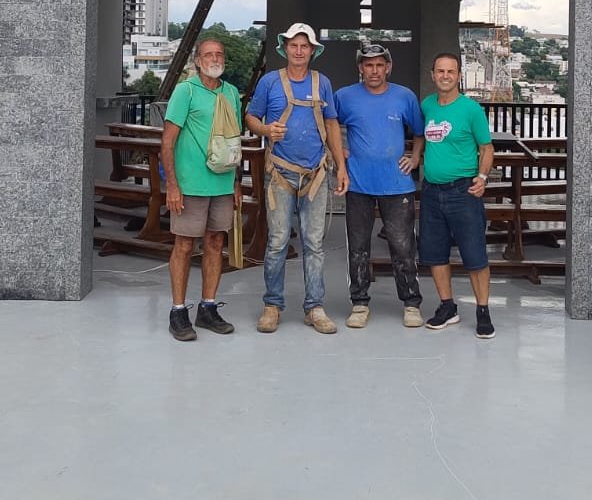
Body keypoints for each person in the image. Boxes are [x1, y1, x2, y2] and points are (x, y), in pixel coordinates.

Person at [245, 23, 348, 334]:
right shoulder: (269, 82)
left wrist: (341, 167)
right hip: (280, 172)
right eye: (294, 46)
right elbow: (250, 117)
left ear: (313, 51)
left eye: (305, 46)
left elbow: (331, 125)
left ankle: (314, 306)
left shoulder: (323, 83)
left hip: (315, 173)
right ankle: (272, 305)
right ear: (285, 48)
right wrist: (265, 130)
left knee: (314, 243)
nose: (299, 51)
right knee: (276, 242)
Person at [334, 42, 424, 328]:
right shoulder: (344, 96)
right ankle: (359, 303)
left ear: (388, 67)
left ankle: (411, 302)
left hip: (397, 184)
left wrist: (415, 157)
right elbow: (328, 124)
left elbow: (420, 132)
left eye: (379, 65)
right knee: (358, 246)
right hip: (358, 183)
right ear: (360, 68)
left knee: (402, 245)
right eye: (368, 65)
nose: (374, 70)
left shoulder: (404, 96)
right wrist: (337, 152)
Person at [159, 36, 241, 341]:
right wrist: (172, 185)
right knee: (183, 245)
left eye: (219, 54)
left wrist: (235, 183)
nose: (215, 59)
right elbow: (167, 142)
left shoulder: (232, 93)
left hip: (221, 182)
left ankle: (208, 307)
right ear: (197, 60)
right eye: (208, 54)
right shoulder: (185, 91)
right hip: (191, 183)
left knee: (215, 243)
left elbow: (233, 141)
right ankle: (178, 310)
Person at [415, 52, 497, 339]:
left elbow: (487, 148)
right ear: (432, 74)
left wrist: (483, 177)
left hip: (463, 191)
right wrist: (414, 158)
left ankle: (483, 310)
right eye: (440, 71)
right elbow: (422, 137)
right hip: (432, 191)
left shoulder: (471, 110)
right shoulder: (427, 106)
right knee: (435, 253)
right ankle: (447, 306)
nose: (445, 76)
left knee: (474, 254)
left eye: (451, 71)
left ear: (459, 76)